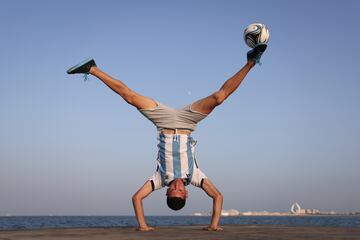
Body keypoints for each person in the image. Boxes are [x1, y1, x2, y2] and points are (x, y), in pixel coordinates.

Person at [66, 44, 267, 231]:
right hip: (188, 123)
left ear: (166, 191)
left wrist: (143, 226)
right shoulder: (195, 177)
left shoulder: (160, 179)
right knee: (219, 98)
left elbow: (136, 198)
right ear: (186, 193)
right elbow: (218, 196)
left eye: (172, 190)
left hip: (164, 123)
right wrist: (214, 225)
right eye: (180, 190)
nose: (176, 186)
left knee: (130, 97)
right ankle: (251, 62)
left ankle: (92, 69)